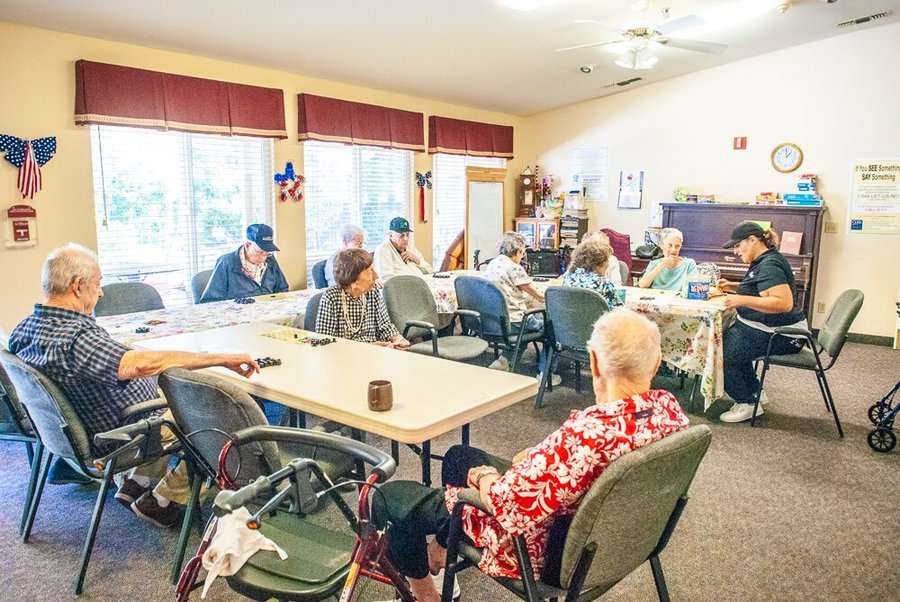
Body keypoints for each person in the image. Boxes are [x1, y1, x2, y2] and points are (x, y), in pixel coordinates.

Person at [371, 308, 689, 602]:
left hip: (540, 548)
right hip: (622, 539)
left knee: (391, 499)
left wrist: (484, 477)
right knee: (458, 457)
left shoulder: (586, 438)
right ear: (656, 364)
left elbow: (504, 503)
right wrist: (540, 457)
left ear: (594, 362)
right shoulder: (670, 414)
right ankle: (440, 550)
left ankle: (425, 596)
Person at [8, 243, 259, 527]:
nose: (100, 292)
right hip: (122, 431)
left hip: (86, 421)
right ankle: (164, 499)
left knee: (176, 392)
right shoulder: (76, 338)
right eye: (98, 284)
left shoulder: (25, 328)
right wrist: (220, 359)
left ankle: (136, 484)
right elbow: (138, 366)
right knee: (218, 416)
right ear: (78, 286)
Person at [716, 221, 807, 423]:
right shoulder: (765, 260)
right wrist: (733, 287)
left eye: (738, 245)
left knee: (718, 351)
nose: (736, 251)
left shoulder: (769, 265)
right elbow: (761, 289)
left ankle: (746, 403)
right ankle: (756, 392)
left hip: (784, 335)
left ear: (752, 240)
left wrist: (741, 299)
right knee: (732, 338)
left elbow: (783, 303)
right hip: (771, 328)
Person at [483, 232, 556, 382]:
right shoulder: (514, 268)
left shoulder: (493, 264)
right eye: (522, 253)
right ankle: (545, 374)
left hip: (495, 319)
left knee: (527, 328)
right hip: (515, 320)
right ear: (517, 252)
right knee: (552, 328)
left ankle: (503, 362)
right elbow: (540, 296)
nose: (522, 257)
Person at [316, 248, 410, 348]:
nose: (376, 275)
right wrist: (366, 346)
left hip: (375, 353)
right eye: (370, 271)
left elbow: (385, 326)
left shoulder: (372, 291)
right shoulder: (331, 297)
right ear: (353, 278)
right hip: (343, 357)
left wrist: (397, 338)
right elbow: (324, 341)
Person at [199, 223, 289, 302]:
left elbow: (282, 289)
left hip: (267, 313)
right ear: (247, 245)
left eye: (267, 253)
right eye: (260, 252)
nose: (263, 258)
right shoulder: (226, 262)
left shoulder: (270, 259)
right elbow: (210, 300)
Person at [562, 240, 624, 309]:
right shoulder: (603, 284)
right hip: (598, 319)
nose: (608, 264)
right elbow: (619, 311)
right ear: (598, 263)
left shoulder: (569, 278)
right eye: (607, 260)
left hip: (570, 319)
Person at [373, 216, 433, 281]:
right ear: (390, 235)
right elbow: (387, 280)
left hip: (424, 284)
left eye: (407, 235)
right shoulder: (383, 250)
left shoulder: (410, 247)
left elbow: (429, 270)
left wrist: (416, 260)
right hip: (405, 289)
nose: (406, 239)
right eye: (402, 235)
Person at [637, 227, 696, 291]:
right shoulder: (654, 264)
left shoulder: (689, 264)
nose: (673, 250)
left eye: (677, 246)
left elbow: (694, 288)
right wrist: (663, 264)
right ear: (661, 245)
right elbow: (643, 285)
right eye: (670, 245)